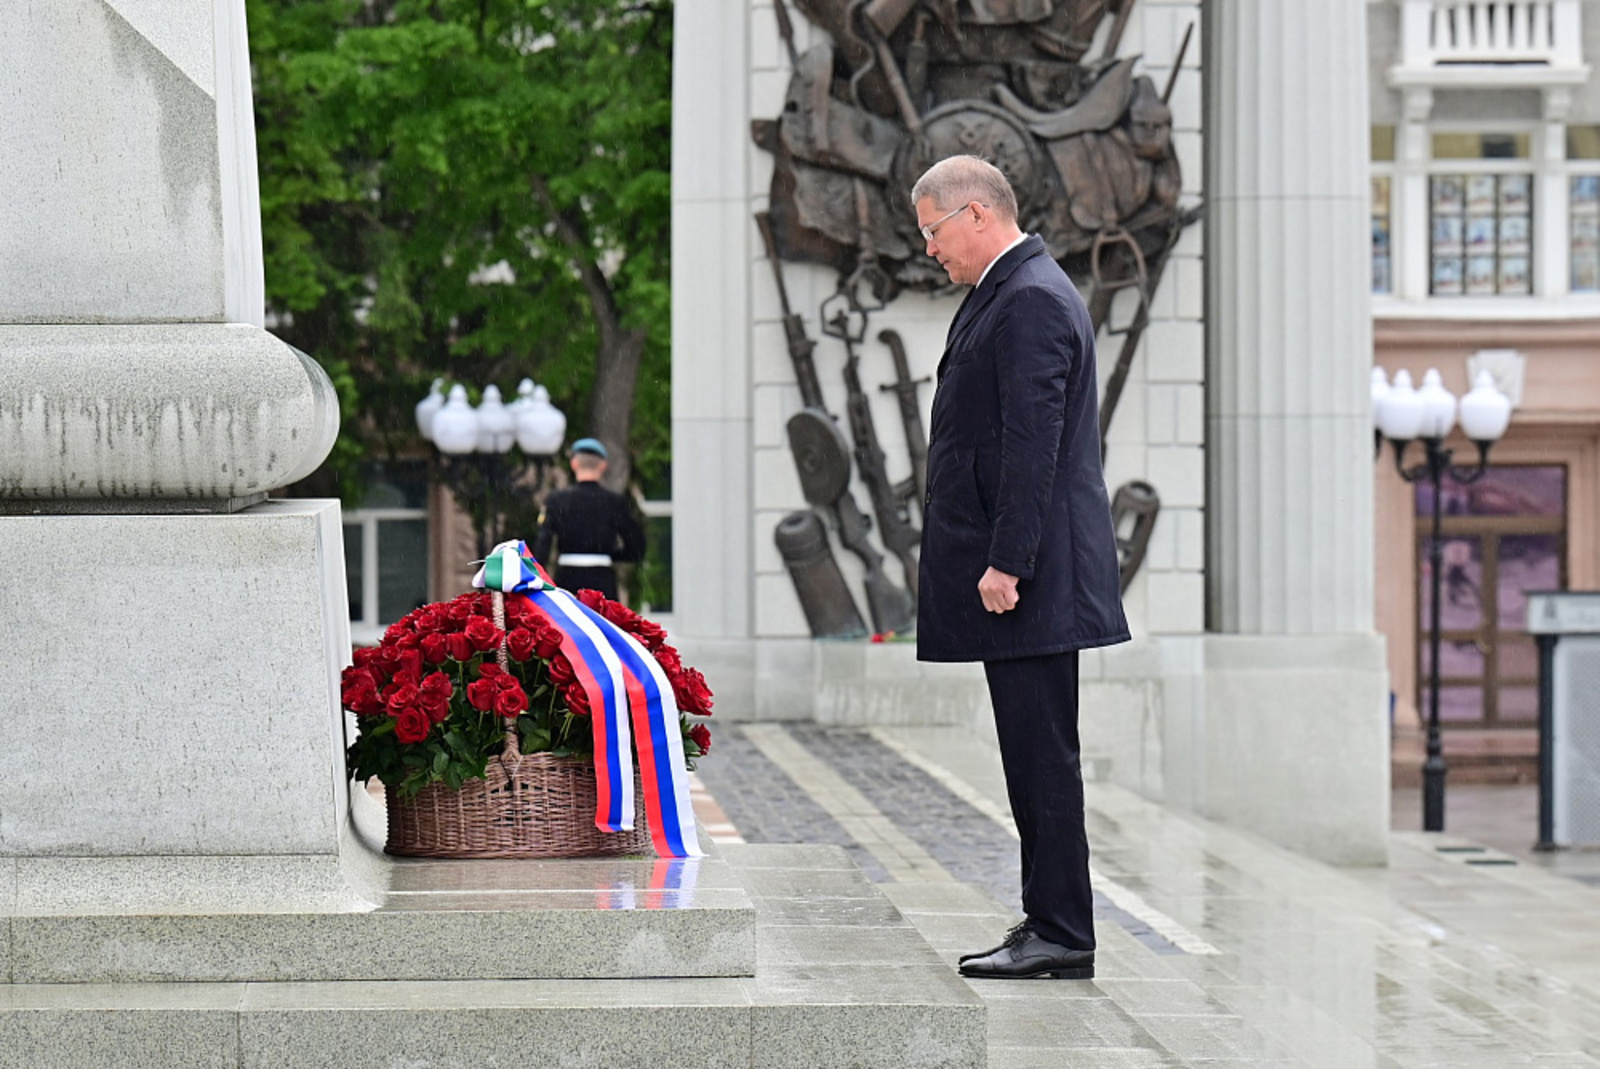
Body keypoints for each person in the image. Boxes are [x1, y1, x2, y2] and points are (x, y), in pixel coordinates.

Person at [911, 155, 1129, 981]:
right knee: (1032, 756)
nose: (930, 248)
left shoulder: (1030, 297)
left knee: (1042, 759)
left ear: (975, 213)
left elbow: (1031, 447)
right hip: (1030, 580)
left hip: (1032, 582)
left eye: (934, 230)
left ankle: (1062, 931)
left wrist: (1007, 560)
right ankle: (1050, 921)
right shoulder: (1007, 291)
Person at [531, 438, 645, 602]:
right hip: (602, 579)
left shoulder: (557, 500)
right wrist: (610, 555)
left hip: (567, 578)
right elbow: (636, 547)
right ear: (602, 465)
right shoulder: (614, 502)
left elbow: (543, 544)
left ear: (574, 464)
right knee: (602, 618)